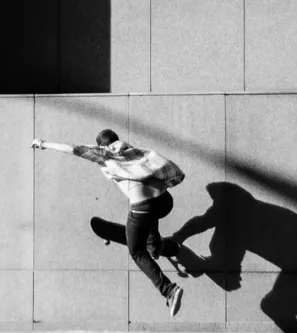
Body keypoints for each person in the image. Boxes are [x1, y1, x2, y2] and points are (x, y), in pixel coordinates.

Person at [31, 129, 184, 318]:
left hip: (143, 208)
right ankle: (156, 244)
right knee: (148, 218)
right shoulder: (133, 150)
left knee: (137, 252)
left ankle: (169, 290)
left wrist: (43, 143)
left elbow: (72, 148)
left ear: (103, 145)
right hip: (164, 201)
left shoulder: (104, 153)